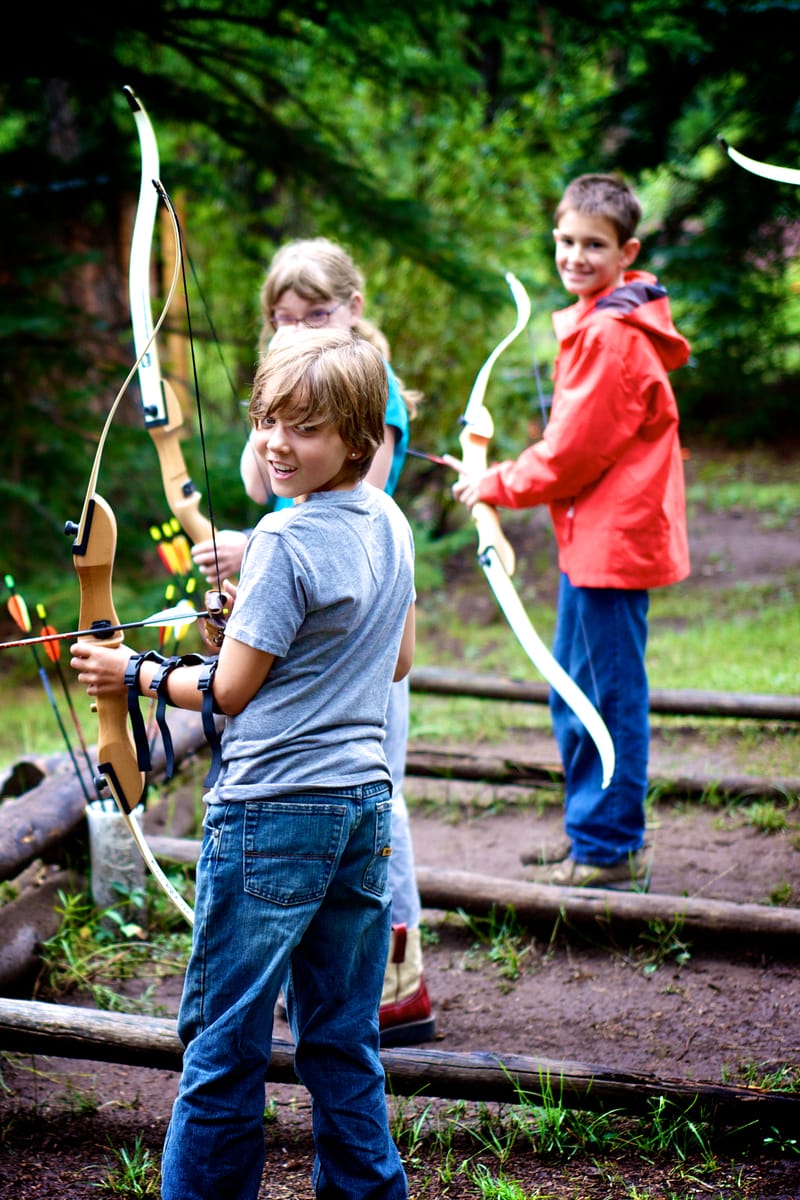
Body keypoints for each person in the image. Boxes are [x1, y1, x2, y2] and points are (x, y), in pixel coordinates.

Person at [72, 327, 414, 1200]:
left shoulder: (285, 541)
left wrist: (130, 671)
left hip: (273, 815)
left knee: (223, 1041)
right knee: (341, 1039)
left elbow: (227, 694)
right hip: (364, 809)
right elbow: (396, 657)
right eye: (269, 420)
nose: (276, 443)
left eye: (305, 428)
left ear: (359, 438)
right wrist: (243, 619)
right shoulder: (390, 520)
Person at [192, 237, 434, 1044]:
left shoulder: (366, 401)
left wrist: (141, 677)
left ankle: (398, 977)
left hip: (350, 637)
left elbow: (342, 504)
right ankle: (340, 991)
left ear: (352, 312)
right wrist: (276, 417)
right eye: (281, 319)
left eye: (315, 316)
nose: (296, 329)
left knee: (373, 798)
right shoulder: (296, 410)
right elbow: (270, 484)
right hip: (313, 616)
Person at [449, 173, 691, 888]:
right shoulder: (598, 322)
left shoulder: (612, 335)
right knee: (575, 690)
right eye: (566, 241)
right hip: (597, 543)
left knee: (603, 697)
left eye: (594, 245)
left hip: (612, 548)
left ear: (628, 252)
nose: (576, 256)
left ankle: (608, 849)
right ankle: (596, 833)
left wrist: (492, 482)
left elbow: (572, 453)